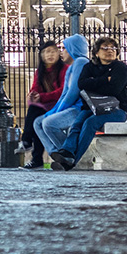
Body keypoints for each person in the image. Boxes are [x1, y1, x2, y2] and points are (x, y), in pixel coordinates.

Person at [50, 37, 127, 170]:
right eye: (105, 48)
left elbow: (114, 90)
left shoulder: (120, 67)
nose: (110, 51)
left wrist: (93, 83)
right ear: (97, 53)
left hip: (117, 110)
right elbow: (82, 85)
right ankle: (67, 152)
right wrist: (105, 79)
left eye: (113, 48)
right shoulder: (89, 67)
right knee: (76, 124)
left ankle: (73, 161)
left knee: (90, 122)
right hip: (91, 108)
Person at [32, 34, 92, 167]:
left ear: (73, 48)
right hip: (71, 108)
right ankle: (58, 155)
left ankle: (72, 156)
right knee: (38, 122)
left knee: (49, 123)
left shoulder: (81, 62)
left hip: (80, 109)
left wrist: (56, 112)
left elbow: (73, 93)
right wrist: (54, 110)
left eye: (64, 48)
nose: (61, 52)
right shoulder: (71, 67)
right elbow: (64, 94)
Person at [17, 41, 67, 169]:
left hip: (60, 105)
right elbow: (36, 88)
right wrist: (32, 95)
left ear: (58, 53)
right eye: (46, 52)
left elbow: (63, 91)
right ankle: (36, 158)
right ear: (41, 55)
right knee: (36, 119)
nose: (50, 54)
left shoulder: (64, 69)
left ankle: (27, 142)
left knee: (35, 115)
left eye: (53, 51)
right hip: (45, 106)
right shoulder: (40, 71)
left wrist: (42, 97)